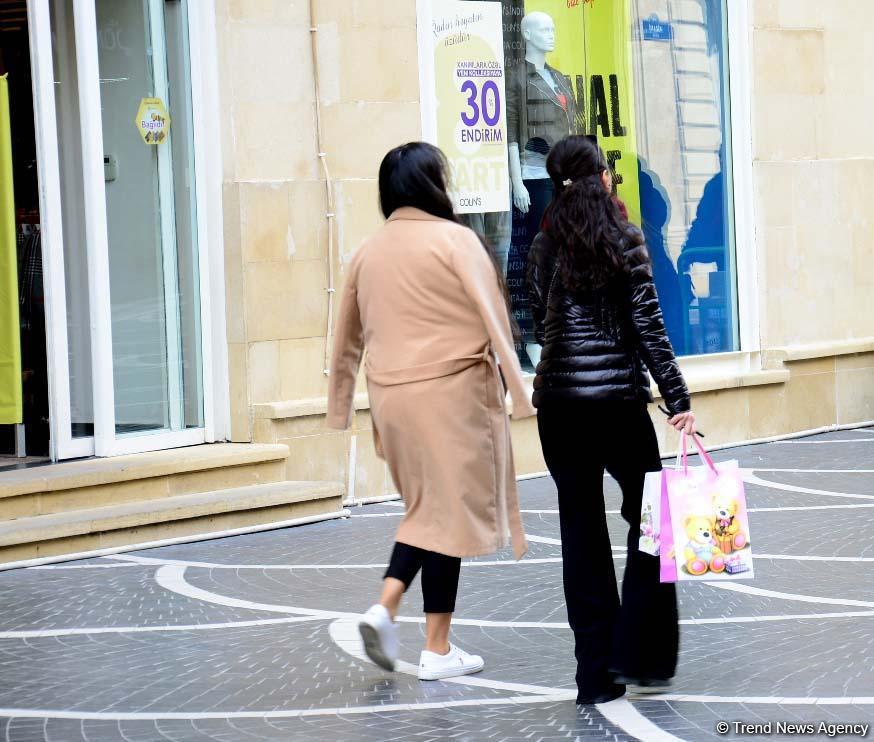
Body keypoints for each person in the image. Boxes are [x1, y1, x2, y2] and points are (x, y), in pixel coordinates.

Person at [327, 142, 536, 682]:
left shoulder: (367, 252)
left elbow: (345, 339)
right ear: (431, 184)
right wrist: (520, 390)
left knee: (429, 510)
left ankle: (413, 629)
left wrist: (339, 405)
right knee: (443, 514)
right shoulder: (455, 240)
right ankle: (415, 631)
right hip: (453, 395)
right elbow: (495, 318)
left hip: (392, 401)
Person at [526, 135, 695, 704]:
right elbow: (650, 329)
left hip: (559, 410)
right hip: (620, 407)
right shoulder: (627, 240)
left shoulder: (545, 245)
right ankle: (641, 654)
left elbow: (537, 309)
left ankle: (595, 677)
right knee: (652, 525)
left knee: (582, 536)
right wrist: (678, 400)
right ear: (601, 178)